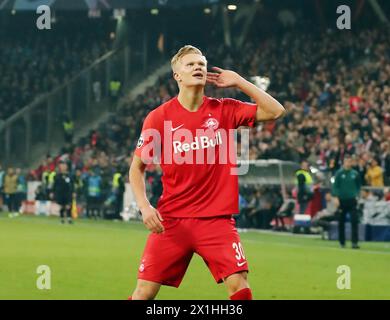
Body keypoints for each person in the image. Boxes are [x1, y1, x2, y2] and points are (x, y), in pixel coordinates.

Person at [128, 45, 285, 300]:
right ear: (177, 75)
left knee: (239, 284)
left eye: (201, 63)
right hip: (172, 220)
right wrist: (145, 207)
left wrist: (240, 81)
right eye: (190, 64)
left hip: (216, 221)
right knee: (144, 291)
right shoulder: (158, 118)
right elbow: (136, 169)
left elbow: (276, 111)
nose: (198, 67)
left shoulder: (225, 109)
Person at [332, 155, 361, 249]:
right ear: (344, 162)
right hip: (342, 200)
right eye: (346, 161)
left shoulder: (355, 174)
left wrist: (357, 195)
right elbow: (335, 186)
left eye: (350, 161)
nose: (348, 163)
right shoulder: (339, 173)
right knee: (341, 221)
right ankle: (342, 242)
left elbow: (358, 186)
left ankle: (354, 242)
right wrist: (336, 197)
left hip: (352, 200)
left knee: (354, 221)